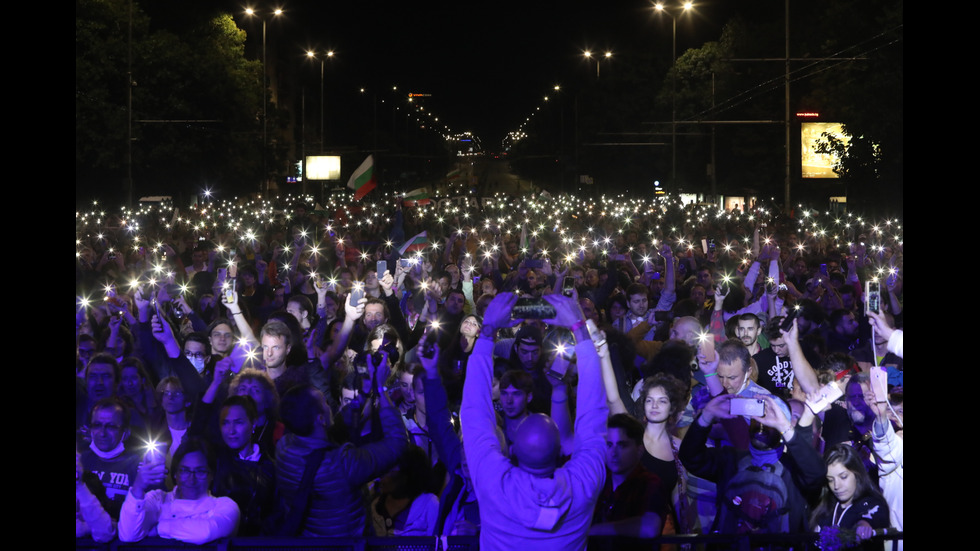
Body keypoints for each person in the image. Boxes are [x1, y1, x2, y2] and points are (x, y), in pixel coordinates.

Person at [462, 292, 607, 550]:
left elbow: (474, 410)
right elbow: (593, 415)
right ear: (562, 451)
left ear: (513, 449)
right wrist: (579, 329)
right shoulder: (583, 484)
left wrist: (487, 332)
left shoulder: (493, 481)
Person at [273, 375, 409, 537]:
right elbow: (398, 443)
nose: (329, 404)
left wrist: (363, 395)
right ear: (321, 419)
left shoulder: (284, 448)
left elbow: (334, 426)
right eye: (324, 401)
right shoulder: (342, 463)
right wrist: (381, 388)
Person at [118, 437, 241, 544]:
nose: (191, 479)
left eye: (200, 472)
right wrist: (138, 487)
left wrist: (158, 528)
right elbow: (128, 535)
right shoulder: (158, 499)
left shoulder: (225, 506)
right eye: (185, 471)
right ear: (175, 474)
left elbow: (206, 532)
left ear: (212, 475)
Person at [589, 413, 666, 544]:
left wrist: (594, 530)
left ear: (639, 450)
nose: (613, 453)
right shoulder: (600, 478)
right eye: (609, 445)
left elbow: (650, 527)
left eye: (621, 445)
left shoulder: (649, 482)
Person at [810, 444, 890, 550]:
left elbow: (874, 516)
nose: (836, 486)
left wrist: (863, 526)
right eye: (830, 479)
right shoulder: (826, 506)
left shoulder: (872, 502)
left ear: (857, 474)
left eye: (843, 477)